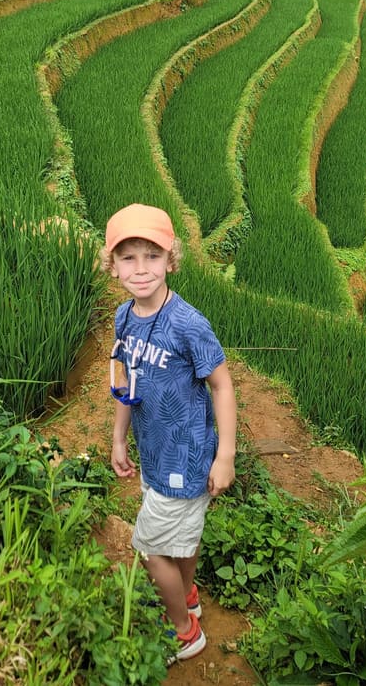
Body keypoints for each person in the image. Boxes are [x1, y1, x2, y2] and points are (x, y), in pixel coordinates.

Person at [101, 203, 237, 663]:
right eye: (128, 257)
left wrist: (226, 455)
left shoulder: (188, 324)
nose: (141, 269)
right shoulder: (123, 317)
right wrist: (120, 437)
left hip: (187, 458)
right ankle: (189, 592)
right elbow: (124, 383)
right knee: (180, 539)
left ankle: (184, 629)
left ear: (172, 260)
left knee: (150, 547)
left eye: (152, 256)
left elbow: (221, 384)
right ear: (113, 265)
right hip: (153, 451)